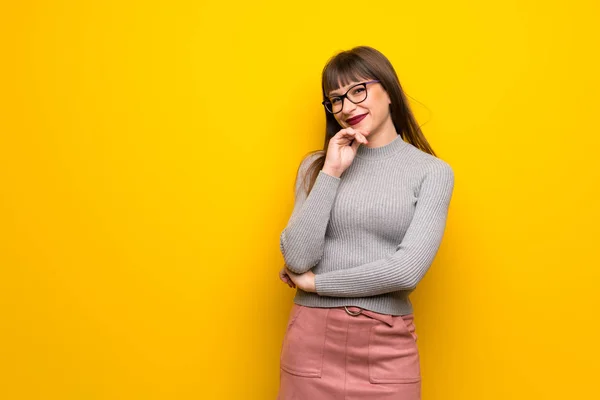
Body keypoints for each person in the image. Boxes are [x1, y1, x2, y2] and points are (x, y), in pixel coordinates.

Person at [276, 45, 455, 400]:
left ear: (388, 90)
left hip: (387, 348)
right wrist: (331, 171)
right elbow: (297, 257)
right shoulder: (315, 166)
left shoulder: (432, 172)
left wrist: (316, 284)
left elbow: (406, 271)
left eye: (358, 90)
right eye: (336, 99)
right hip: (311, 342)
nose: (347, 106)